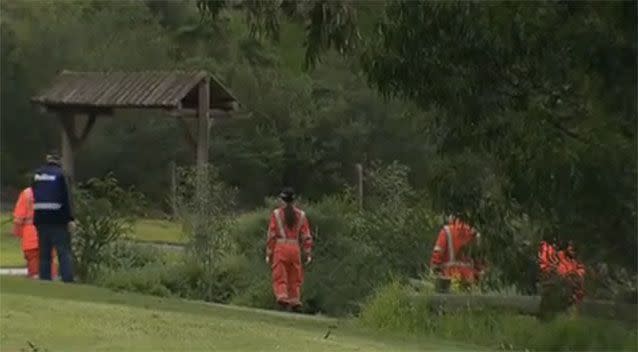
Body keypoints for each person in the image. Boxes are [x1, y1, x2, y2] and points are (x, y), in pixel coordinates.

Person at [265, 187, 313, 312]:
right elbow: (306, 236)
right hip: (295, 247)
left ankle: (282, 297)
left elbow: (272, 235)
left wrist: (269, 252)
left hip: (281, 247)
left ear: (282, 200)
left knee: (280, 274)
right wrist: (307, 252)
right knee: (295, 275)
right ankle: (295, 299)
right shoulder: (301, 215)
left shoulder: (276, 214)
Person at [32, 152, 75, 283]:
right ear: (59, 160)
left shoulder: (37, 174)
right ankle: (67, 279)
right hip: (58, 219)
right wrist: (70, 218)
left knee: (44, 253)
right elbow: (66, 198)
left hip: (40, 218)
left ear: (47, 158)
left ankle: (45, 279)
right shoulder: (62, 174)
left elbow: (34, 193)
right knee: (63, 251)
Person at [12, 184, 58, 279]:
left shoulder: (27, 193)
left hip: (31, 235)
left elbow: (18, 219)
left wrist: (18, 233)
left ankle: (36, 280)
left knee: (33, 266)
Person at [430, 214, 483, 286]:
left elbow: (437, 256)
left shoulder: (446, 232)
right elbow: (479, 260)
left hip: (449, 279)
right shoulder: (473, 233)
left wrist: (434, 273)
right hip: (470, 280)